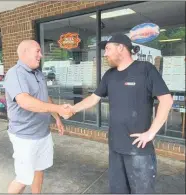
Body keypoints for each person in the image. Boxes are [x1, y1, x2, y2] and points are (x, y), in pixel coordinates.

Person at [64, 33, 173, 194]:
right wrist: (73, 109)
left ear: (121, 48)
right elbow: (94, 98)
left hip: (139, 150)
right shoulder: (109, 75)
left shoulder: (145, 69)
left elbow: (166, 100)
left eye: (108, 49)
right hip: (115, 147)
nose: (105, 53)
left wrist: (151, 133)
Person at [4, 40, 73, 194]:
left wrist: (56, 117)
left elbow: (44, 98)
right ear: (24, 52)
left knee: (39, 170)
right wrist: (59, 108)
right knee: (22, 179)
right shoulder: (15, 74)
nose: (41, 55)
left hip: (43, 134)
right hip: (25, 137)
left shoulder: (38, 73)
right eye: (37, 51)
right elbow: (25, 101)